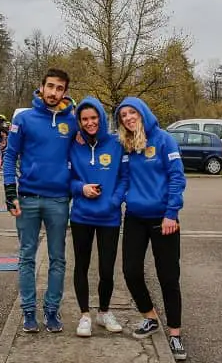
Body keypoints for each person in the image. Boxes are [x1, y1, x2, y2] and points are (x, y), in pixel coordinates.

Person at [3, 69, 78, 333]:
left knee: (58, 258)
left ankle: (52, 311)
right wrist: (9, 192)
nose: (54, 92)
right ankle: (28, 312)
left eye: (59, 88)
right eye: (50, 86)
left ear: (65, 92)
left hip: (59, 200)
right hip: (28, 198)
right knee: (27, 257)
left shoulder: (73, 121)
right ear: (41, 87)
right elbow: (10, 156)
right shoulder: (24, 119)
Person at [115, 97, 188, 361]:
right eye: (123, 115)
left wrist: (171, 213)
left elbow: (177, 177)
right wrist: (115, 202)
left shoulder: (164, 140)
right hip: (134, 217)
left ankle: (176, 335)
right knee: (130, 271)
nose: (128, 118)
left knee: (168, 276)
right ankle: (150, 317)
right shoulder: (126, 145)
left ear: (143, 113)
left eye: (132, 112)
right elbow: (124, 179)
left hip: (163, 219)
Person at [68, 97, 129, 337]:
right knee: (81, 266)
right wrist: (81, 189)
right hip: (82, 215)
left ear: (101, 118)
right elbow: (68, 178)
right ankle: (84, 315)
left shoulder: (117, 143)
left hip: (110, 217)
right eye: (85, 119)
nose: (90, 123)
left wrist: (114, 202)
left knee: (106, 268)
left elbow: (125, 178)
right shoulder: (74, 145)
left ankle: (104, 312)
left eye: (94, 118)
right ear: (79, 122)